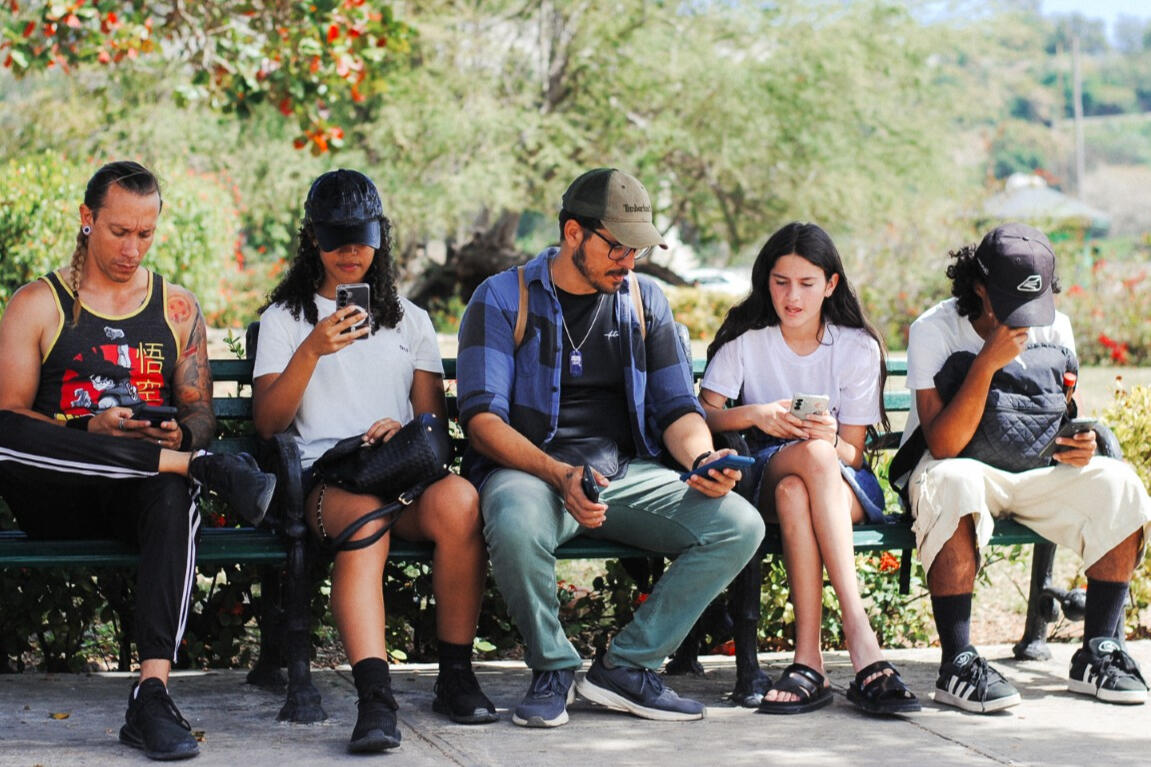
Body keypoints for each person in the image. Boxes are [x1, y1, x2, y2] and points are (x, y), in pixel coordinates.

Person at [456, 167, 765, 727]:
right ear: (573, 233)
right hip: (533, 471)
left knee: (739, 525)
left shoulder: (645, 301)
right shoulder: (502, 297)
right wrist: (558, 474)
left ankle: (627, 667)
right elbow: (482, 423)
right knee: (514, 517)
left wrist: (703, 459)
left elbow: (678, 408)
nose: (629, 262)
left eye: (637, 250)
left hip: (624, 474)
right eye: (617, 247)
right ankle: (553, 668)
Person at [0, 160, 276, 761]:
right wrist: (87, 427)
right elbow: (12, 417)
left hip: (140, 494)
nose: (132, 249)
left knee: (172, 489)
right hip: (60, 496)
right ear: (87, 218)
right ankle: (197, 468)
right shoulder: (38, 304)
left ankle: (152, 696)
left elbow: (201, 414)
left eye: (145, 234)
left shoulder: (176, 307)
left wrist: (183, 432)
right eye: (119, 231)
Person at [251, 169, 496, 753]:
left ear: (380, 238)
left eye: (360, 239)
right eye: (335, 240)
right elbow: (269, 423)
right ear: (313, 239)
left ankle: (455, 676)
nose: (349, 253)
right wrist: (313, 350)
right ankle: (376, 700)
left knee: (462, 502)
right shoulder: (285, 320)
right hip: (328, 480)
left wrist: (403, 429)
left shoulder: (410, 320)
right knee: (365, 520)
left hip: (400, 472)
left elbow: (432, 426)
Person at [902, 222, 1151, 712]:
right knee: (953, 481)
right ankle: (958, 662)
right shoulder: (934, 329)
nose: (1025, 318)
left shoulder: (1054, 327)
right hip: (962, 468)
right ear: (979, 286)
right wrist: (985, 363)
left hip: (1036, 471)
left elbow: (1065, 414)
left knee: (1118, 482)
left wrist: (1079, 444)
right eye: (1011, 302)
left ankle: (1099, 649)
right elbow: (944, 445)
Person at [698, 222, 920, 716]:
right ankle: (862, 639)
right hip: (764, 469)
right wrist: (757, 415)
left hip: (840, 483)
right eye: (781, 282)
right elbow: (702, 414)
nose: (792, 297)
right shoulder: (748, 342)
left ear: (831, 284)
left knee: (800, 488)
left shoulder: (856, 346)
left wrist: (830, 438)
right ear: (767, 281)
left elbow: (854, 455)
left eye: (806, 283)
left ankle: (808, 662)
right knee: (803, 469)